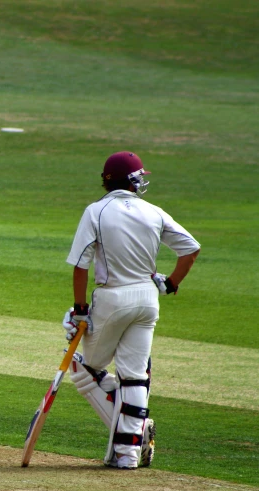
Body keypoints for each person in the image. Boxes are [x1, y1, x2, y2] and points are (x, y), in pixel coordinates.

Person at [62, 151, 200, 470]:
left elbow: (81, 265)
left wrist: (81, 309)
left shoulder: (96, 212)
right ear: (133, 180)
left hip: (113, 297)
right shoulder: (153, 211)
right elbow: (191, 249)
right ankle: (128, 454)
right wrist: (171, 283)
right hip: (147, 299)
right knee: (134, 376)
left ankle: (132, 433)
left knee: (86, 368)